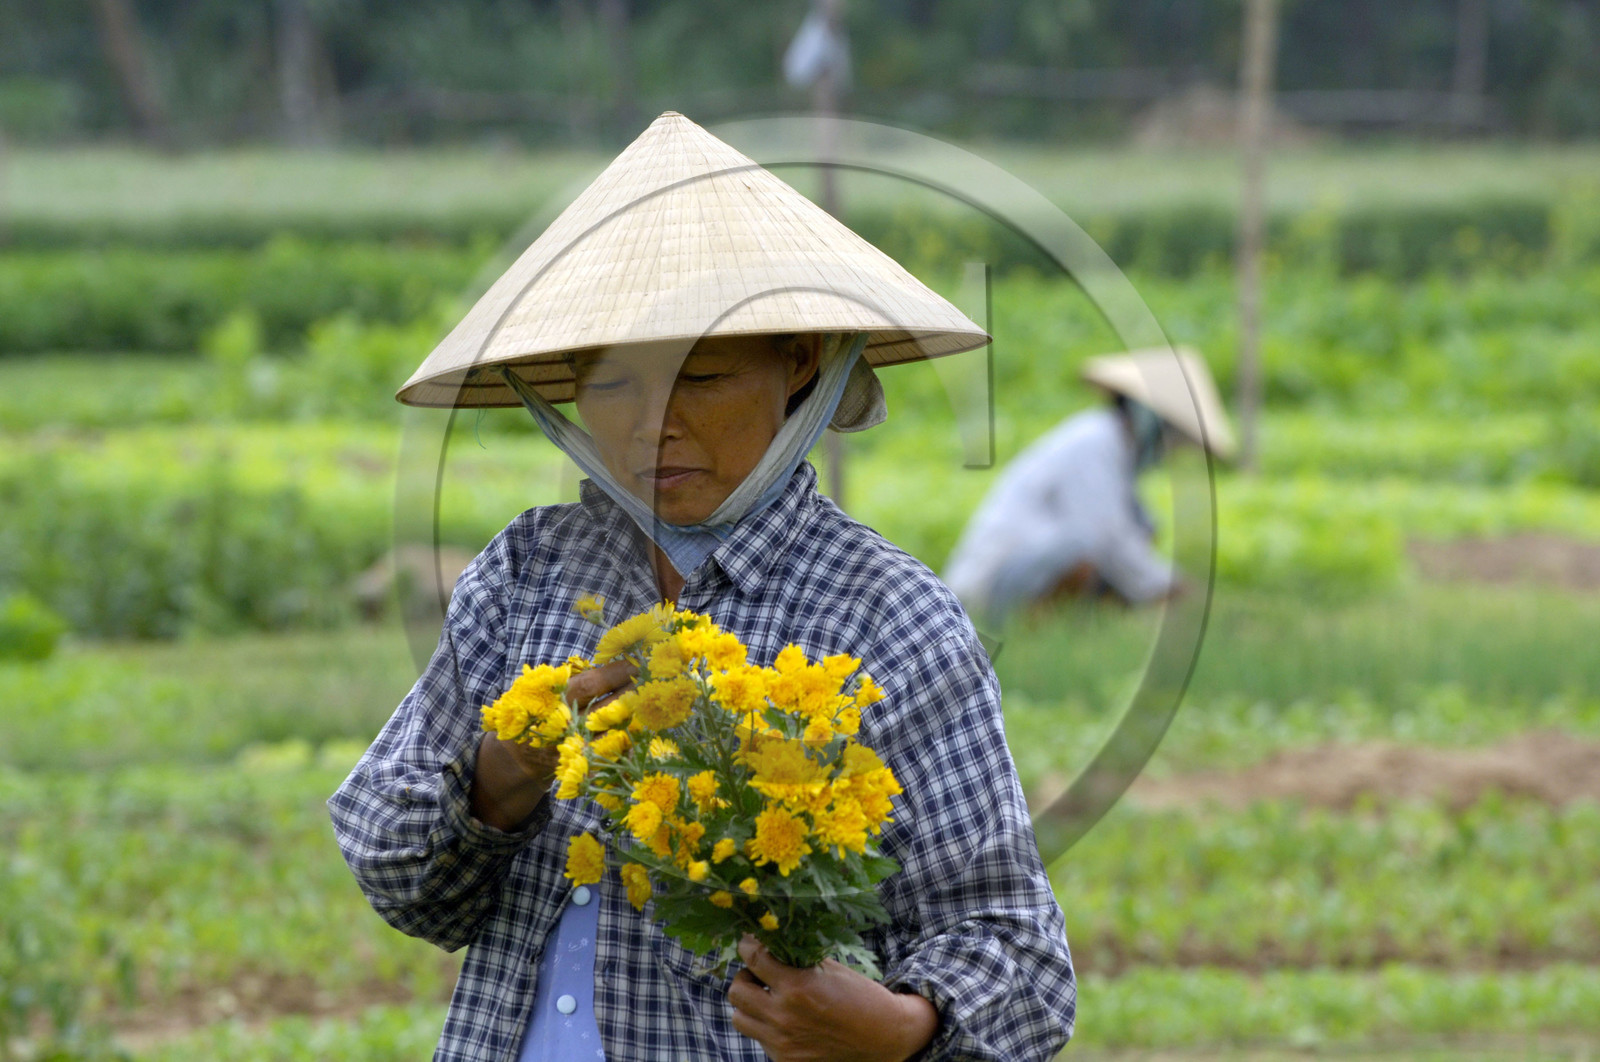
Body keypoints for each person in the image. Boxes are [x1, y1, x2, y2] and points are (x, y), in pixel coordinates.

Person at [328, 112, 1074, 1062]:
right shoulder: (528, 574)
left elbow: (1018, 960)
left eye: (703, 380)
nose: (651, 430)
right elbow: (403, 883)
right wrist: (503, 774)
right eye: (611, 390)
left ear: (799, 361)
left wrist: (896, 1027)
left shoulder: (887, 615)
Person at [941, 348, 1235, 628]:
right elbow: (1105, 536)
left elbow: (1131, 534)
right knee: (1088, 553)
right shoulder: (1095, 442)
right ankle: (1034, 629)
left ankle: (1075, 630)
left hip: (1026, 572)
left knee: (1143, 532)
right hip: (988, 588)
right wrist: (1171, 588)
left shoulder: (1115, 449)